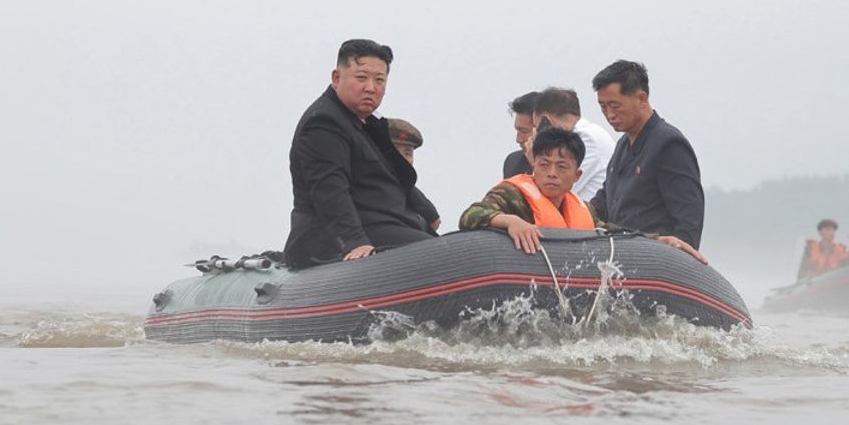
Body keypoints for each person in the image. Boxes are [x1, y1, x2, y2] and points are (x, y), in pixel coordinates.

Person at [283, 39, 437, 268]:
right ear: (337, 78)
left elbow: (394, 176)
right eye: (361, 78)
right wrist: (354, 242)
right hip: (333, 238)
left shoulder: (367, 126)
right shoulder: (323, 124)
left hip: (386, 224)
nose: (371, 88)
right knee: (431, 254)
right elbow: (329, 189)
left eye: (379, 80)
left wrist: (428, 213)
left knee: (449, 249)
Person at [461, 127, 705, 261]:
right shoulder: (512, 193)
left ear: (576, 176)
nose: (552, 173)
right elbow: (471, 215)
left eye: (562, 166)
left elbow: (613, 233)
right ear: (533, 166)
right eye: (544, 165)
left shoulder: (581, 209)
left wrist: (660, 241)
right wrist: (510, 221)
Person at [588, 60, 706, 248]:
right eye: (603, 107)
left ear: (642, 99)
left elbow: (689, 218)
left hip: (654, 261)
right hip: (620, 256)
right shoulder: (622, 145)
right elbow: (603, 203)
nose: (609, 115)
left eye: (615, 106)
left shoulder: (668, 143)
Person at [530, 87, 616, 200]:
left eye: (537, 127)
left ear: (546, 120)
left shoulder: (586, 137)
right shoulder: (592, 132)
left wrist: (534, 158)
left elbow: (552, 191)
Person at [386, 117, 441, 231]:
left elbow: (435, 222)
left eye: (408, 153)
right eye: (394, 151)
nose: (402, 159)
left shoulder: (409, 190)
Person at [502, 92, 538, 178]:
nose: (518, 139)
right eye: (517, 131)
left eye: (524, 132)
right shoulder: (512, 162)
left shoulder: (568, 164)